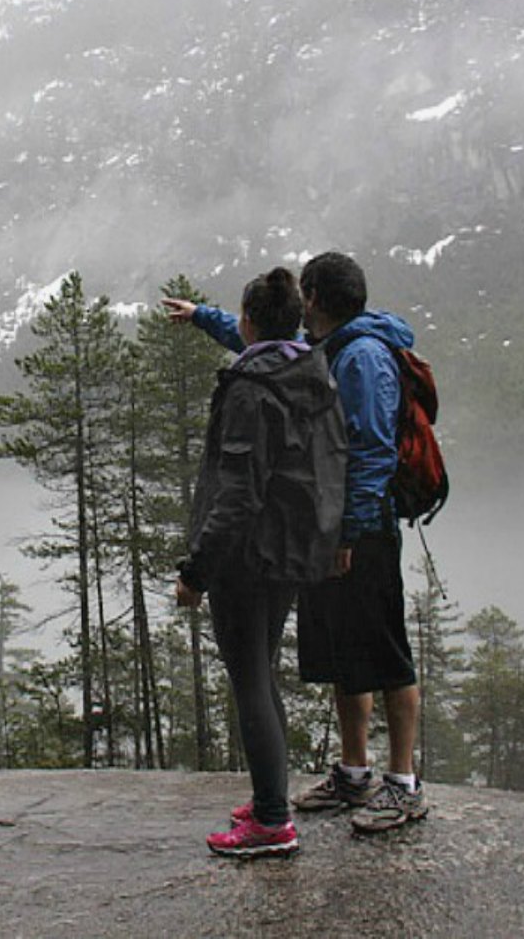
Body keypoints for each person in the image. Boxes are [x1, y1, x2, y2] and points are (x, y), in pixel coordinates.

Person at [165, 251, 428, 834]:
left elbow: (370, 453)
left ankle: (402, 783)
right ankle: (354, 772)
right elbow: (262, 342)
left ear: (314, 298)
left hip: (361, 529)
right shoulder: (317, 353)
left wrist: (349, 532)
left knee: (384, 652)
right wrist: (203, 316)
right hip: (326, 530)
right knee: (345, 655)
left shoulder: (360, 358)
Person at [175, 266, 346, 858]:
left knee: (249, 678)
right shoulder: (310, 370)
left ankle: (272, 820)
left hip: (247, 556)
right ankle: (270, 794)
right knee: (262, 669)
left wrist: (197, 571)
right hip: (290, 549)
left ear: (248, 320)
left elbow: (238, 492)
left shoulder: (252, 388)